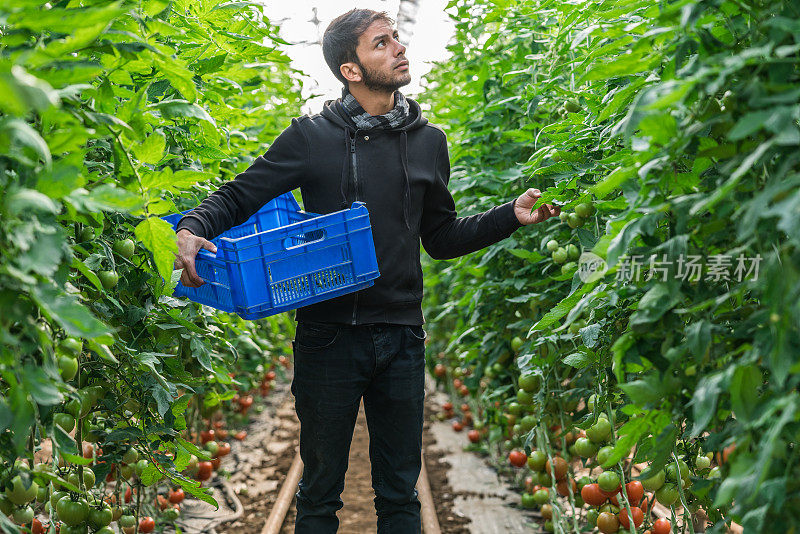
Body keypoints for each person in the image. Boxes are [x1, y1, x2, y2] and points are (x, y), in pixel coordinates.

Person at [173, 8, 560, 533]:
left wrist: (508, 218)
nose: (398, 49)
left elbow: (442, 239)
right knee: (320, 491)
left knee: (400, 493)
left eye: (396, 39)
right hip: (327, 338)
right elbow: (242, 194)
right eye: (381, 44)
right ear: (349, 70)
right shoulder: (311, 138)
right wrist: (194, 226)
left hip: (402, 338)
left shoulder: (429, 141)